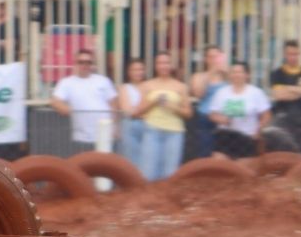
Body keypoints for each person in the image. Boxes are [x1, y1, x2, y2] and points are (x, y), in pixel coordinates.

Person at [130, 51, 190, 180]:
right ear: (156, 66)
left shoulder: (181, 86)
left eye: (166, 62)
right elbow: (137, 112)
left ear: (171, 65)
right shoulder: (147, 85)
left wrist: (173, 107)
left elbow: (188, 113)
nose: (163, 66)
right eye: (160, 63)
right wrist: (154, 102)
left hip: (174, 132)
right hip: (152, 131)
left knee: (170, 174)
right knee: (148, 173)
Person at [51, 50, 117, 152]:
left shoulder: (103, 81)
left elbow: (114, 105)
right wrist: (68, 110)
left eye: (88, 62)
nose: (85, 65)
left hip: (104, 134)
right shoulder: (67, 82)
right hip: (82, 136)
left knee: (104, 166)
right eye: (81, 62)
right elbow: (55, 101)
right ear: (75, 63)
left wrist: (115, 127)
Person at [203, 62, 270, 158]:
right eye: (233, 72)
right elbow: (212, 114)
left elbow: (266, 115)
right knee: (219, 162)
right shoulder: (221, 92)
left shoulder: (256, 93)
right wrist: (221, 119)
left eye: (239, 72)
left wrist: (259, 131)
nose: (236, 75)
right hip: (226, 135)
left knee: (243, 168)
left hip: (247, 136)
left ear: (247, 75)